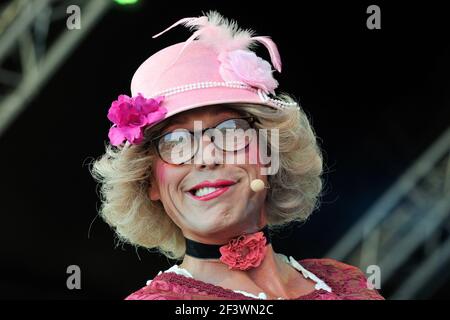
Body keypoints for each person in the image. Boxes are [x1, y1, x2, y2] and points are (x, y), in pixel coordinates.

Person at [91, 11, 384, 300]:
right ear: (149, 181)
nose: (207, 157)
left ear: (270, 152)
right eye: (176, 142)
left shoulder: (343, 281)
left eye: (230, 131)